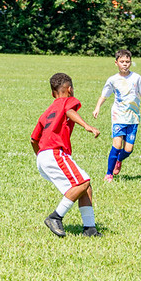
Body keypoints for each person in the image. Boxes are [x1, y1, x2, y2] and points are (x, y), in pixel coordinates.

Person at [31, 73, 101, 238]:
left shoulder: (47, 111)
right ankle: (55, 216)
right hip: (55, 152)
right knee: (83, 182)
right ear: (69, 90)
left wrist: (40, 156)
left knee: (85, 188)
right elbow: (69, 110)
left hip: (43, 155)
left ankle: (89, 229)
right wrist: (87, 126)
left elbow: (34, 139)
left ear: (52, 93)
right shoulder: (67, 101)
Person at [92, 49, 141, 182]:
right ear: (116, 63)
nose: (125, 64)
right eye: (122, 61)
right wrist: (97, 108)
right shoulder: (113, 80)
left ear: (131, 63)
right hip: (118, 117)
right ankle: (109, 173)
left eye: (127, 62)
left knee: (128, 149)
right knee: (117, 145)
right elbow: (104, 96)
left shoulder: (137, 78)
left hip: (133, 117)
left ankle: (119, 159)